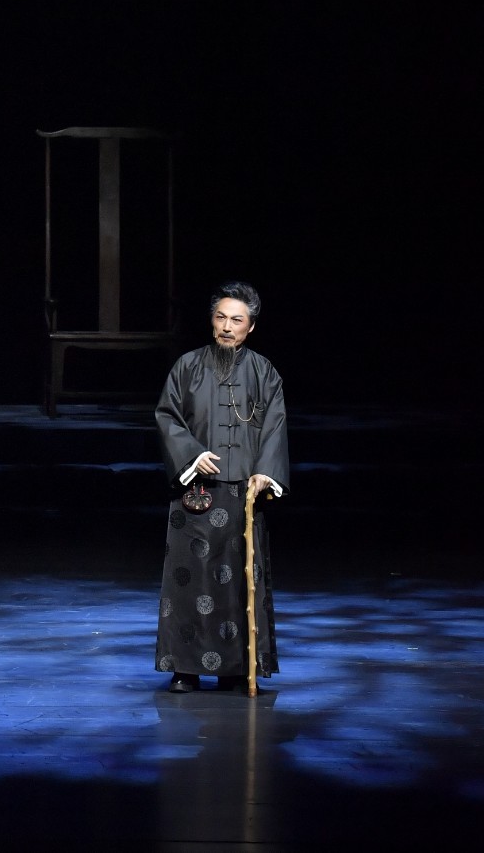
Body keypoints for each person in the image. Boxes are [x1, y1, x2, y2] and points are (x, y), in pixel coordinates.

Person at [153, 281, 289, 692]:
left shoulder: (264, 372)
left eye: (237, 320)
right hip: (197, 492)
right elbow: (167, 415)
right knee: (190, 581)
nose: (227, 327)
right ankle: (185, 668)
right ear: (212, 321)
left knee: (238, 585)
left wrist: (265, 471)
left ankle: (235, 669)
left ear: (251, 326)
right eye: (221, 317)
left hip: (243, 493)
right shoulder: (188, 366)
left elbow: (275, 424)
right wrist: (191, 455)